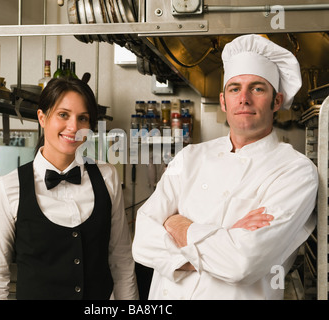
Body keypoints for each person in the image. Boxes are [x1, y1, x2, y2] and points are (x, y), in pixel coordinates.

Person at [132, 34, 318, 300]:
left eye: (257, 88)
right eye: (234, 89)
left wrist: (177, 225)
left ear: (276, 101)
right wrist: (226, 238)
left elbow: (242, 263)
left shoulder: (296, 172)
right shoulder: (188, 157)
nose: (244, 98)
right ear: (223, 101)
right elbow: (142, 239)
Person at [0, 77, 138, 300]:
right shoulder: (7, 188)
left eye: (83, 118)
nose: (73, 127)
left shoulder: (107, 176)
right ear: (42, 118)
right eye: (63, 115)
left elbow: (121, 261)